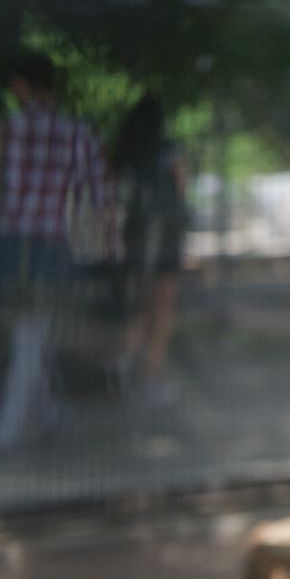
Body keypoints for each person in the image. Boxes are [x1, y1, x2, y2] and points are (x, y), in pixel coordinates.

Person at [0, 53, 111, 450]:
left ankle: (9, 432)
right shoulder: (79, 133)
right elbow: (100, 199)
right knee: (33, 335)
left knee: (27, 335)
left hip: (13, 248)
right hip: (56, 248)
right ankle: (47, 413)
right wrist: (107, 250)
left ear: (22, 86)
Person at [110, 94, 187, 407]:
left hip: (135, 240)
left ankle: (123, 364)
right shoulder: (170, 151)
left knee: (140, 307)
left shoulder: (125, 154)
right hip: (166, 240)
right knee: (162, 311)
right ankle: (150, 378)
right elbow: (182, 190)